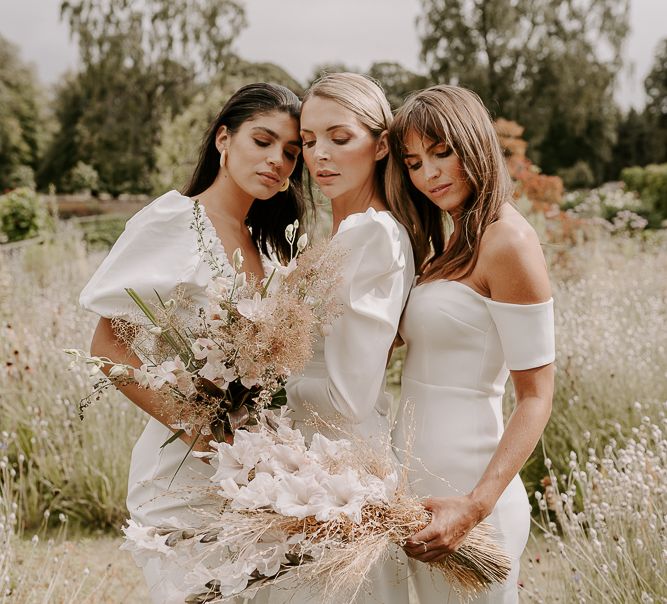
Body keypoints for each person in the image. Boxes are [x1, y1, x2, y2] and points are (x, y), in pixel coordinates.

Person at [79, 82, 308, 604]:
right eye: (263, 140)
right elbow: (108, 348)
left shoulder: (270, 248)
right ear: (224, 140)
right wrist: (205, 435)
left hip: (256, 477)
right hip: (183, 472)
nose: (277, 160)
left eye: (291, 153)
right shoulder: (177, 222)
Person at [386, 85, 555, 603]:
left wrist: (475, 506)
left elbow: (536, 396)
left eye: (442, 153)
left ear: (475, 144)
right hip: (414, 483)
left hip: (469, 489)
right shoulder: (450, 242)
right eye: (414, 162)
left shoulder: (510, 241)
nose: (429, 173)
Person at [259, 73, 414, 604]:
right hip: (312, 459)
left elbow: (350, 396)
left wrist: (263, 398)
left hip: (339, 467)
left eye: (339, 138)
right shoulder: (345, 236)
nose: (319, 155)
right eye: (308, 141)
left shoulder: (371, 234)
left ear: (382, 144)